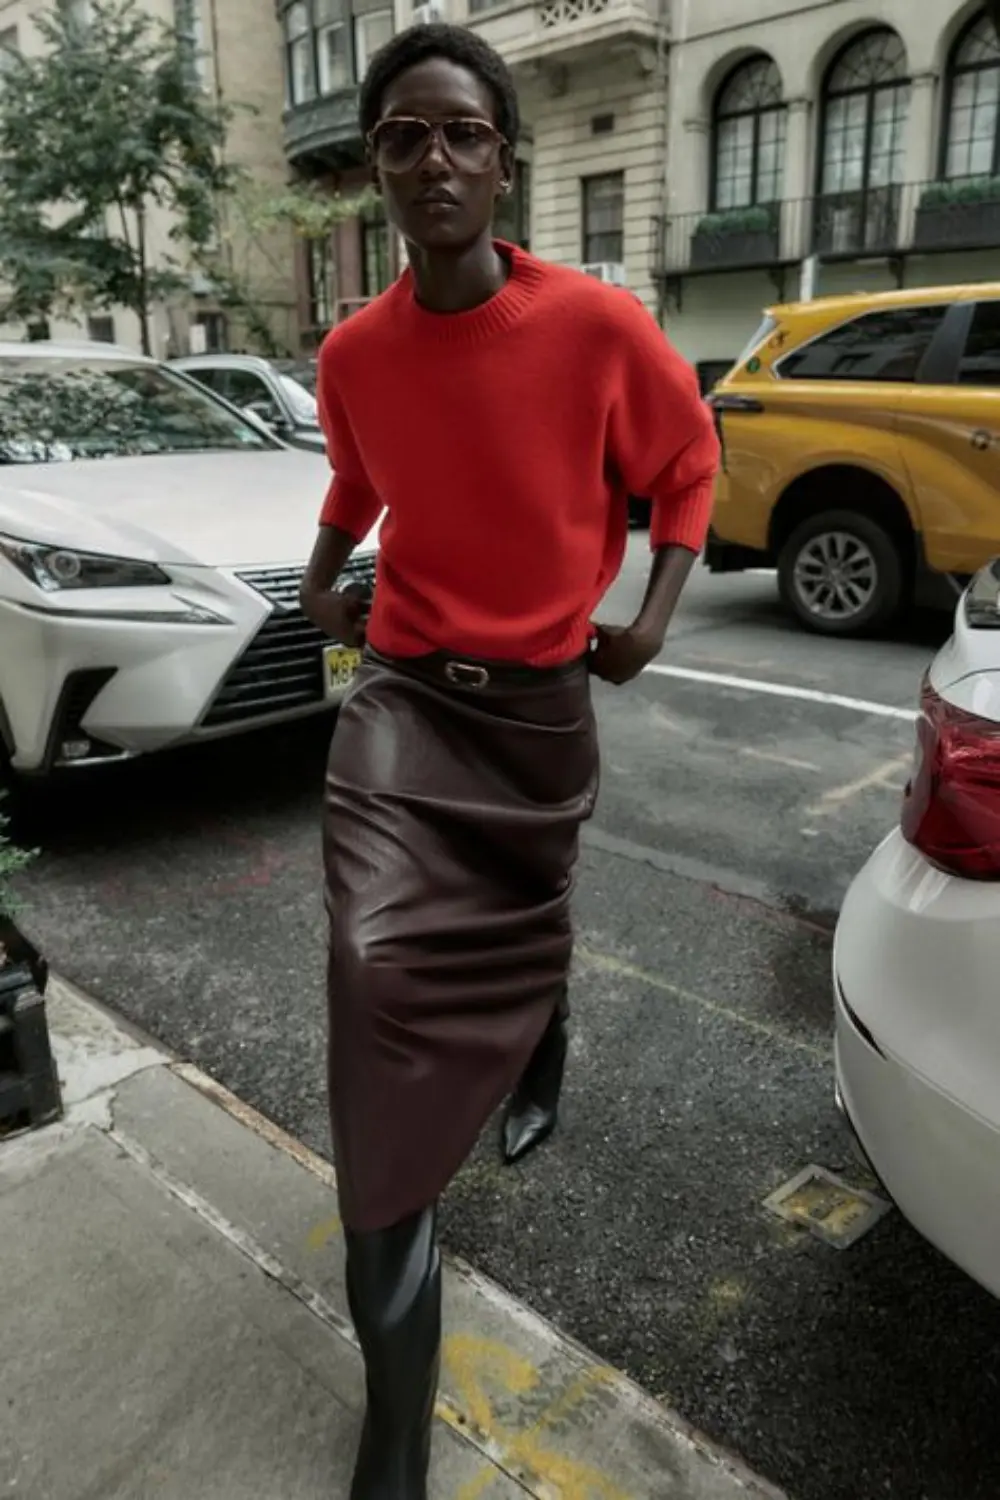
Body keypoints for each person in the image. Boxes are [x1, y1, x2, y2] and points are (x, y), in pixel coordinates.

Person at [299, 23, 720, 1499]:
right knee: (372, 975)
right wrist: (319, 574)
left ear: (502, 157)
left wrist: (654, 615)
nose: (433, 160)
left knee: (528, 911)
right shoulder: (353, 346)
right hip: (404, 701)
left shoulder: (595, 328)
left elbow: (688, 465)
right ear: (375, 168)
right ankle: (396, 1428)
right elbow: (357, 470)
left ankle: (541, 1032)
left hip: (537, 715)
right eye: (403, 137)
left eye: (460, 133)